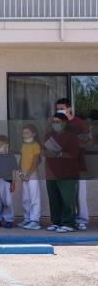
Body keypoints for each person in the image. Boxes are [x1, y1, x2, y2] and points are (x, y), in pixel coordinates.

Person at [55, 98, 92, 231]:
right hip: (62, 165)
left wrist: (75, 143)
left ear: (69, 108)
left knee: (80, 194)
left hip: (78, 164)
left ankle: (82, 220)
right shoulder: (57, 122)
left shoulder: (79, 123)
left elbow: (89, 141)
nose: (60, 110)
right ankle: (66, 220)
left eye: (62, 108)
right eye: (58, 108)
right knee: (66, 195)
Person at [44, 113, 80, 233]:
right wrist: (45, 152)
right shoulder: (49, 135)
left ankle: (69, 223)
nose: (55, 124)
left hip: (67, 173)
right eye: (54, 121)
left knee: (67, 199)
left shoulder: (71, 136)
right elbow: (44, 150)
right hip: (51, 172)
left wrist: (59, 154)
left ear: (65, 123)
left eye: (58, 121)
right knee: (53, 199)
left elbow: (75, 154)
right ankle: (56, 222)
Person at [18, 124, 42, 230]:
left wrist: (28, 174)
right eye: (24, 133)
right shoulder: (24, 145)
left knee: (34, 198)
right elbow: (22, 158)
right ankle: (27, 218)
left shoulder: (35, 145)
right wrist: (20, 172)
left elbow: (36, 161)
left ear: (34, 134)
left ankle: (35, 220)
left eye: (27, 133)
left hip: (32, 174)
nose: (25, 135)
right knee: (26, 198)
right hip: (24, 174)